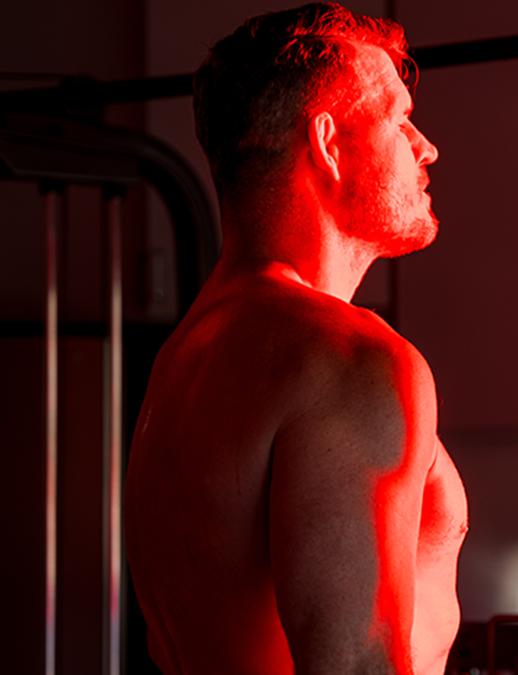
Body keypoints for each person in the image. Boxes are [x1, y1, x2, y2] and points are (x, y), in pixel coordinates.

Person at [124, 4, 468, 674]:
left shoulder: (188, 356)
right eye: (399, 118)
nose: (426, 145)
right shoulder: (345, 359)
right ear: (329, 145)